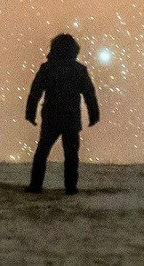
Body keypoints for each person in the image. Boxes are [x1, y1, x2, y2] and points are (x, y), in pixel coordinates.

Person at [24, 33, 99, 194]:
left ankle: (36, 185)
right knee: (71, 154)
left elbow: (35, 92)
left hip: (51, 116)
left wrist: (30, 112)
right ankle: (70, 187)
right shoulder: (79, 70)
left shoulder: (47, 69)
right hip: (71, 117)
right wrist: (94, 114)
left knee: (42, 151)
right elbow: (89, 95)